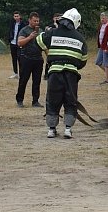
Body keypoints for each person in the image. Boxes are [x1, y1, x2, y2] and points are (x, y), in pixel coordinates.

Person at [36, 8, 87, 139]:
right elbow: (83, 60)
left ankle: (51, 129)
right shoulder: (80, 38)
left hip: (55, 73)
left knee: (52, 100)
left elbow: (39, 41)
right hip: (71, 74)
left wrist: (49, 48)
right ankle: (68, 129)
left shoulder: (53, 33)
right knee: (70, 101)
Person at [15, 12, 44, 108]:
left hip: (38, 59)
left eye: (38, 21)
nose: (36, 22)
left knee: (37, 81)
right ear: (29, 20)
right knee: (23, 80)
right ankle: (20, 100)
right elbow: (19, 43)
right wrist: (30, 37)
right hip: (26, 58)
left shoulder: (40, 31)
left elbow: (44, 44)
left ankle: (35, 101)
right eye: (34, 21)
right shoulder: (24, 30)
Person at [95, 11, 108, 84]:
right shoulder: (101, 25)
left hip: (106, 47)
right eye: (101, 18)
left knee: (106, 63)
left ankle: (107, 80)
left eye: (103, 18)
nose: (102, 19)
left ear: (107, 18)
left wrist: (107, 48)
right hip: (101, 47)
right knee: (98, 62)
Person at [7, 11, 24, 79]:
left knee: (20, 59)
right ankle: (15, 73)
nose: (16, 17)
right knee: (14, 59)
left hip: (19, 43)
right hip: (12, 43)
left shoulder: (23, 24)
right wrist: (9, 39)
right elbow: (10, 31)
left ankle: (21, 73)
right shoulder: (12, 24)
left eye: (17, 16)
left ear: (20, 16)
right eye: (15, 16)